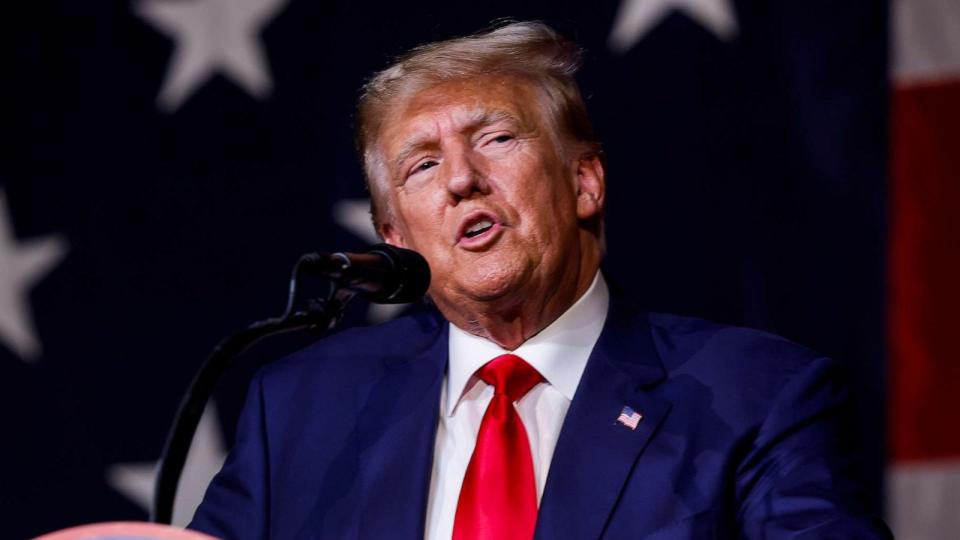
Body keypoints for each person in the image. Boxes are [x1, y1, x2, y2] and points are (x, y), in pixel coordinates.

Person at [190, 21, 890, 539]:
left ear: (585, 182)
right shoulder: (299, 412)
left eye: (495, 138)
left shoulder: (756, 395)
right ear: (396, 237)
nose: (462, 179)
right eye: (422, 165)